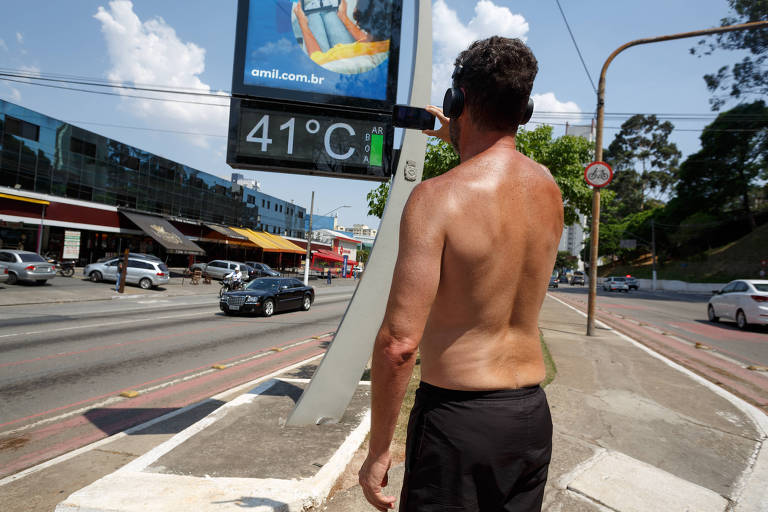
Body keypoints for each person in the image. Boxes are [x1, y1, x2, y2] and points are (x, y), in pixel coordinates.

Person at [358, 37, 563, 511]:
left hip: (460, 424)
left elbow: (398, 345)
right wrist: (462, 136)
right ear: (525, 109)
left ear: (457, 101)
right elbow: (498, 187)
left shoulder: (437, 197)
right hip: (531, 418)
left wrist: (378, 451)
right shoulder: (549, 190)